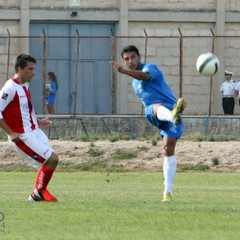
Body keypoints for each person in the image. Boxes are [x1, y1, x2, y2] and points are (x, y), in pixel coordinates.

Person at [111, 45, 186, 202]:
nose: (130, 61)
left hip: (172, 111)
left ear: (139, 57)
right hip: (155, 112)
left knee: (168, 148)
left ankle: (167, 192)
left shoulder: (151, 68)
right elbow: (139, 80)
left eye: (133, 57)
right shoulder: (134, 84)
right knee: (155, 106)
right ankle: (172, 116)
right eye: (126, 59)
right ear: (124, 61)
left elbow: (144, 76)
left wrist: (124, 72)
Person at [0, 54, 59, 202]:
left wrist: (37, 121)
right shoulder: (10, 88)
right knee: (52, 159)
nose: (33, 72)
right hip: (22, 136)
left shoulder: (24, 86)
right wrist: (10, 132)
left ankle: (37, 194)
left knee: (49, 161)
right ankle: (38, 193)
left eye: (34, 69)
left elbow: (25, 109)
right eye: (30, 69)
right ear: (20, 69)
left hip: (34, 132)